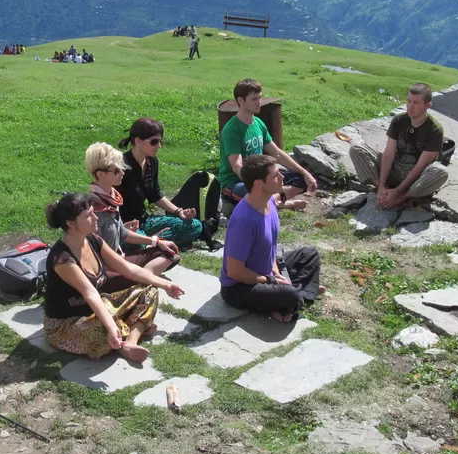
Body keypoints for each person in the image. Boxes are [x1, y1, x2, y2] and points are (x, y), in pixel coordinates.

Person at [43, 194, 185, 363]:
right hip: (66, 325)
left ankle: (130, 341)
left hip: (96, 308)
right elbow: (90, 294)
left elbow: (128, 268)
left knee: (149, 290)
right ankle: (131, 327)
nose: (96, 217)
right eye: (89, 215)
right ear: (70, 223)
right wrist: (111, 326)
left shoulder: (93, 239)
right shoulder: (63, 259)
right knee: (104, 329)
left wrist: (165, 284)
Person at [220, 156, 324, 322]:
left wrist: (275, 271)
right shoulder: (245, 220)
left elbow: (271, 249)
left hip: (266, 272)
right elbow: (235, 271)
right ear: (258, 184)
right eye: (276, 175)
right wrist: (270, 280)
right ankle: (297, 295)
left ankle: (290, 299)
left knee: (309, 254)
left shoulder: (269, 201)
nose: (282, 177)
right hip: (239, 288)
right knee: (290, 295)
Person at [85, 142, 180, 292]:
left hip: (121, 261)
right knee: (139, 272)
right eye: (116, 170)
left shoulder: (111, 198)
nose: (122, 173)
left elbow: (122, 233)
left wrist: (156, 241)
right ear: (100, 174)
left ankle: (140, 281)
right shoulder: (93, 209)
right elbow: (94, 255)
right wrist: (128, 268)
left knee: (169, 251)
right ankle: (141, 281)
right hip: (105, 270)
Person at [116, 117, 221, 250]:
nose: (159, 146)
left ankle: (154, 242)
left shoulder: (152, 162)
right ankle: (152, 242)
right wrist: (121, 228)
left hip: (145, 221)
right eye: (154, 142)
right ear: (137, 141)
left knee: (195, 226)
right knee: (136, 244)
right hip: (126, 226)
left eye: (160, 141)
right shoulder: (120, 167)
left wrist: (179, 212)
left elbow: (155, 194)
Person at [219, 79, 316, 210]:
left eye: (260, 97)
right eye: (254, 99)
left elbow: (277, 153)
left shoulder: (258, 123)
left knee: (300, 180)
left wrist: (305, 174)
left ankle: (271, 200)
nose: (259, 102)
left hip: (262, 177)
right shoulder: (232, 130)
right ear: (241, 101)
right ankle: (282, 203)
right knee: (252, 195)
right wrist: (258, 186)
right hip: (235, 181)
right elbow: (237, 167)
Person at [348, 83, 449, 209]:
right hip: (396, 168)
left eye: (416, 103)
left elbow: (420, 166)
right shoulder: (399, 120)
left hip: (417, 176)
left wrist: (398, 192)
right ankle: (383, 190)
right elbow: (389, 154)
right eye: (408, 101)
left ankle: (403, 198)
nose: (410, 107)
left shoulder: (435, 130)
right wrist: (382, 184)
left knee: (441, 172)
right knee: (357, 148)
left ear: (427, 105)